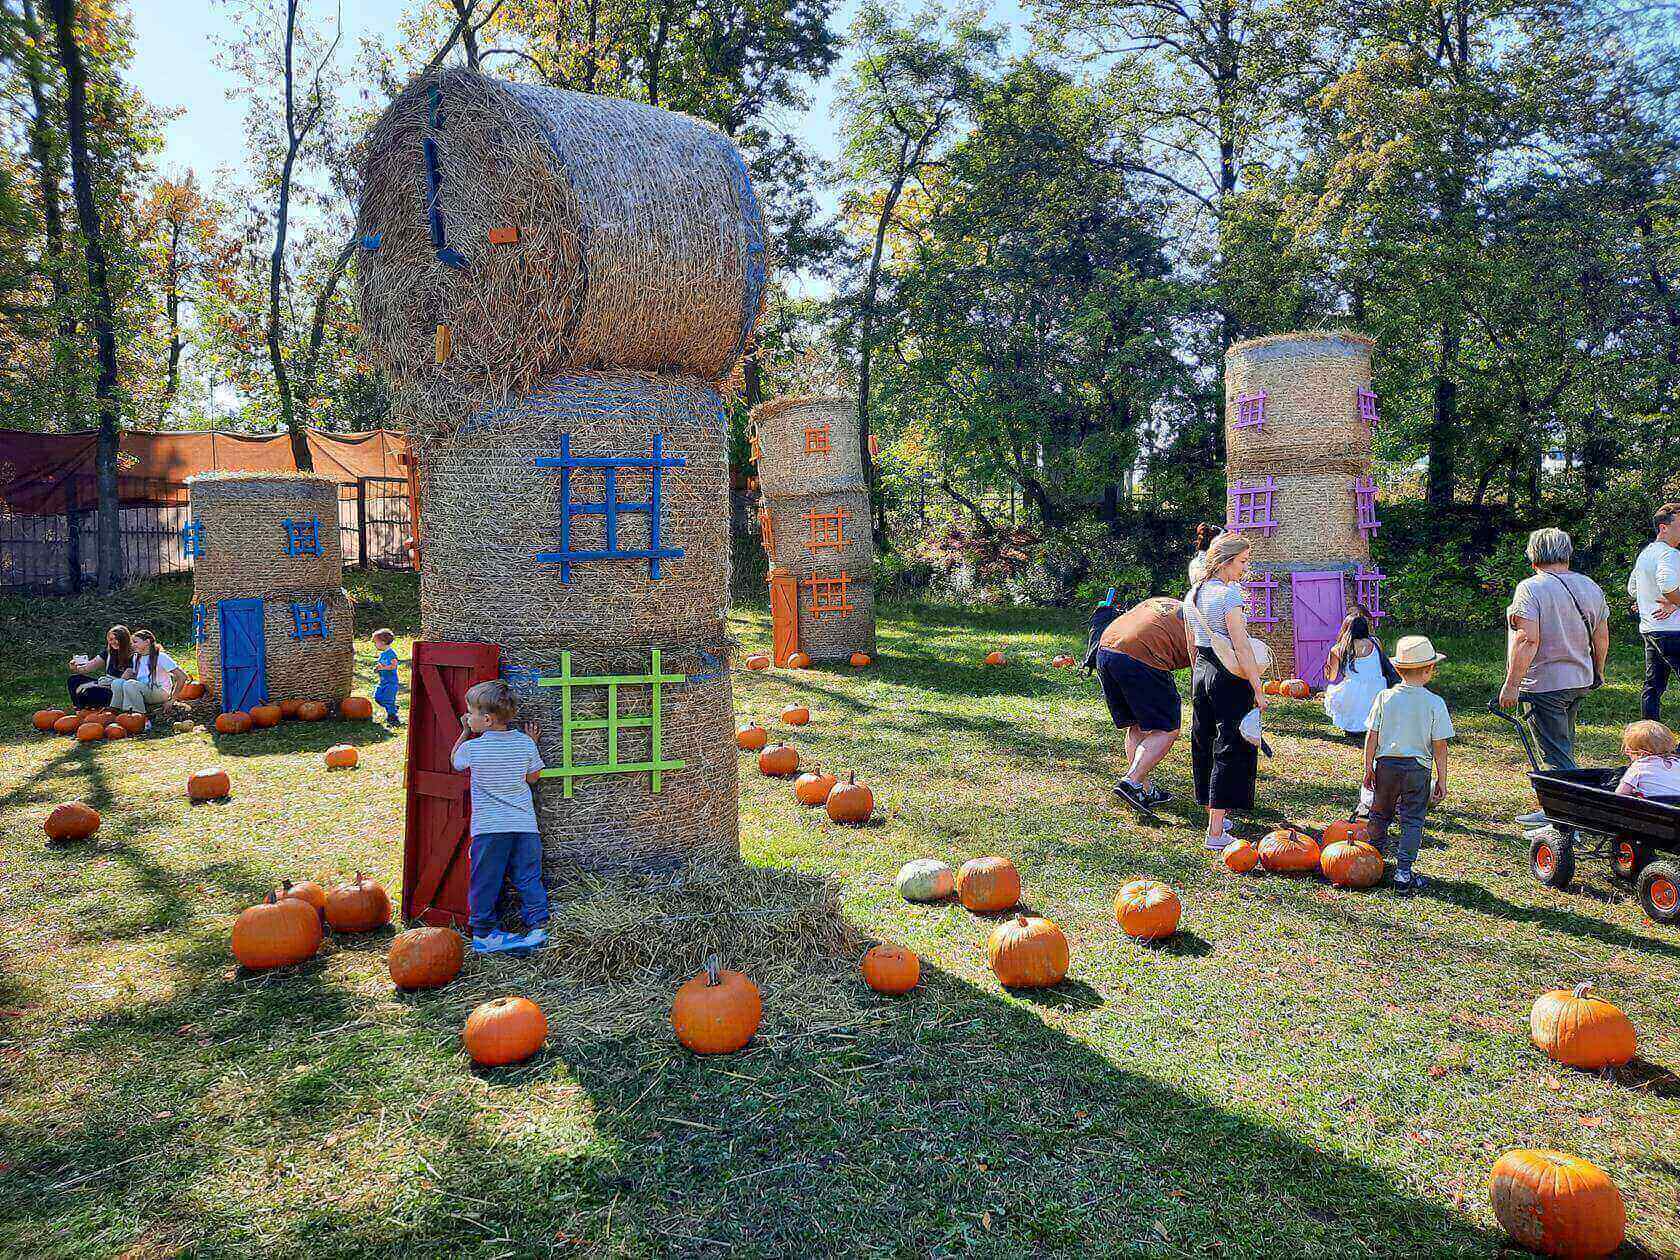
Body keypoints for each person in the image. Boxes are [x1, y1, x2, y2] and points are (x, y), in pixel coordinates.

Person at [1498, 528, 1609, 827]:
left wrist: (1511, 684)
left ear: (1533, 556)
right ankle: (1559, 808)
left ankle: (1565, 818)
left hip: (1545, 683)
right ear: (1567, 553)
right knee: (1563, 744)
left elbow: (1527, 640)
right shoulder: (1589, 586)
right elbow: (1601, 636)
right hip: (1579, 678)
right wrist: (1597, 670)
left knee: (1555, 754)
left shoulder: (1530, 588)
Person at [1182, 531, 1270, 850]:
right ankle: (1216, 832)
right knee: (1231, 745)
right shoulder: (1229, 597)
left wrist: (1198, 675)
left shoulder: (1194, 593)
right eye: (1242, 562)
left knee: (1204, 739)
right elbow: (1242, 647)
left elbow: (1192, 642)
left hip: (1203, 671)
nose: (1244, 569)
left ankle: (1212, 812)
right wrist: (1258, 688)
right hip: (1227, 674)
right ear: (1226, 562)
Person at [450, 679, 549, 953]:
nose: (468, 717)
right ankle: (538, 926)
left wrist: (463, 733)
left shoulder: (473, 748)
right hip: (524, 825)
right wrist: (532, 744)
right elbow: (533, 777)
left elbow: (455, 762)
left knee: (486, 879)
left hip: (490, 828)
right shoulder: (525, 743)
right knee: (528, 876)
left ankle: (484, 933)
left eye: (470, 713)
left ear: (487, 719)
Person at [1363, 635, 1454, 894]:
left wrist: (1368, 766)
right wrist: (1442, 779)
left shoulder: (1384, 698)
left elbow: (1372, 736)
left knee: (1379, 815)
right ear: (1428, 671)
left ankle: (1375, 860)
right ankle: (1403, 873)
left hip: (1386, 766)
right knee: (1412, 819)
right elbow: (1440, 746)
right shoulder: (1435, 703)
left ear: (1398, 669)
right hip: (1417, 769)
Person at [1096, 593, 1191, 815]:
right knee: (1167, 728)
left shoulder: (1165, 602)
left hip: (1107, 648)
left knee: (1137, 725)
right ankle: (1131, 781)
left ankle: (1142, 788)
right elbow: (1201, 666)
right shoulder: (1202, 624)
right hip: (1143, 656)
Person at [1628, 503, 1680, 721]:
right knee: (1653, 686)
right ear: (1663, 527)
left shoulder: (1646, 553)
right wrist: (1674, 600)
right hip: (1673, 630)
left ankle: (1648, 743)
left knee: (1653, 686)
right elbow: (1667, 584)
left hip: (1652, 630)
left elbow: (1632, 588)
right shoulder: (1669, 554)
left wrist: (1650, 600)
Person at [1322, 605, 1398, 738]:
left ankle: (1354, 727)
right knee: (1366, 694)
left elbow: (1332, 677)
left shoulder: (1338, 649)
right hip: (1377, 689)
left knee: (1336, 692)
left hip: (1353, 693)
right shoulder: (1375, 642)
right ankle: (1373, 727)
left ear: (1346, 629)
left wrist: (1327, 669)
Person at [104, 628, 190, 724]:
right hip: (144, 689)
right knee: (117, 683)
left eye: (135, 642)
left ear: (147, 642)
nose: (133, 645)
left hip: (160, 692)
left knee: (130, 684)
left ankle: (140, 718)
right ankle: (115, 712)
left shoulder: (161, 657)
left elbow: (182, 676)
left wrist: (172, 700)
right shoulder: (136, 657)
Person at [66, 624, 133, 710]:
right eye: (111, 639)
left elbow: (121, 683)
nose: (114, 642)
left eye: (117, 639)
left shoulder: (132, 656)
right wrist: (75, 667)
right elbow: (88, 667)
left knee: (89, 691)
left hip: (117, 690)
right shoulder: (108, 652)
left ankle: (97, 708)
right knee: (74, 680)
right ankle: (80, 710)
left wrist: (92, 685)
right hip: (104, 683)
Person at [1615, 720, 1680, 799]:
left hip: (1655, 808)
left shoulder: (1639, 766)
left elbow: (1619, 795)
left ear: (1641, 753)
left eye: (1628, 751)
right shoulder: (1677, 762)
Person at [373, 628, 402, 725]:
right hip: (383, 681)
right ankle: (393, 708)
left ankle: (393, 718)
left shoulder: (391, 654)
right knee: (377, 697)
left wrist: (383, 668)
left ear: (383, 642)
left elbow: (394, 666)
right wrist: (377, 668)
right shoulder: (382, 654)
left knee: (388, 699)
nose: (375, 644)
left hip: (391, 682)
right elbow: (381, 665)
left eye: (375, 642)